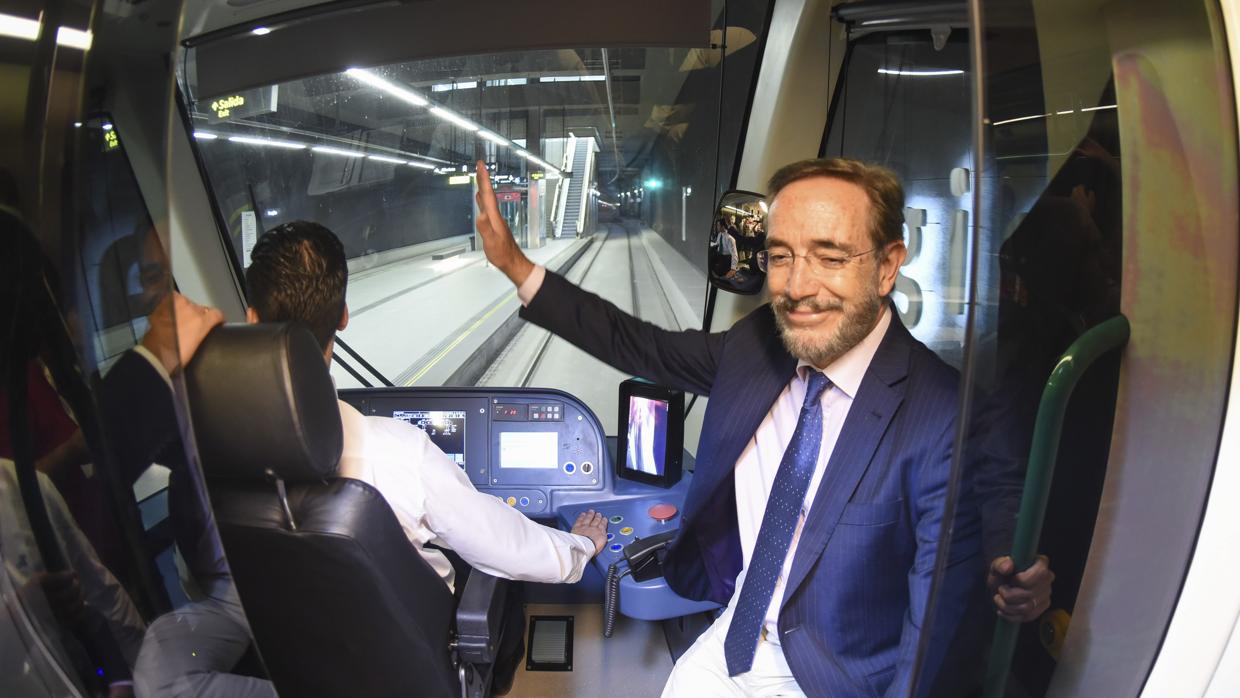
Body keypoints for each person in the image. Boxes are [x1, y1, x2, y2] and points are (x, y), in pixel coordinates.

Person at [474, 157, 982, 697]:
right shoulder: (756, 345)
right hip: (733, 640)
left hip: (834, 681)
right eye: (781, 256)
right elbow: (641, 345)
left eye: (830, 256)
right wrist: (517, 268)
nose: (798, 287)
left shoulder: (943, 417)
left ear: (887, 266)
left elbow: (934, 635)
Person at [241, 220, 609, 691]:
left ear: (252, 319)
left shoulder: (214, 459)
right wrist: (579, 548)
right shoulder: (395, 452)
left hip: (298, 669)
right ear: (344, 316)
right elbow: (510, 548)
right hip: (408, 671)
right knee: (496, 576)